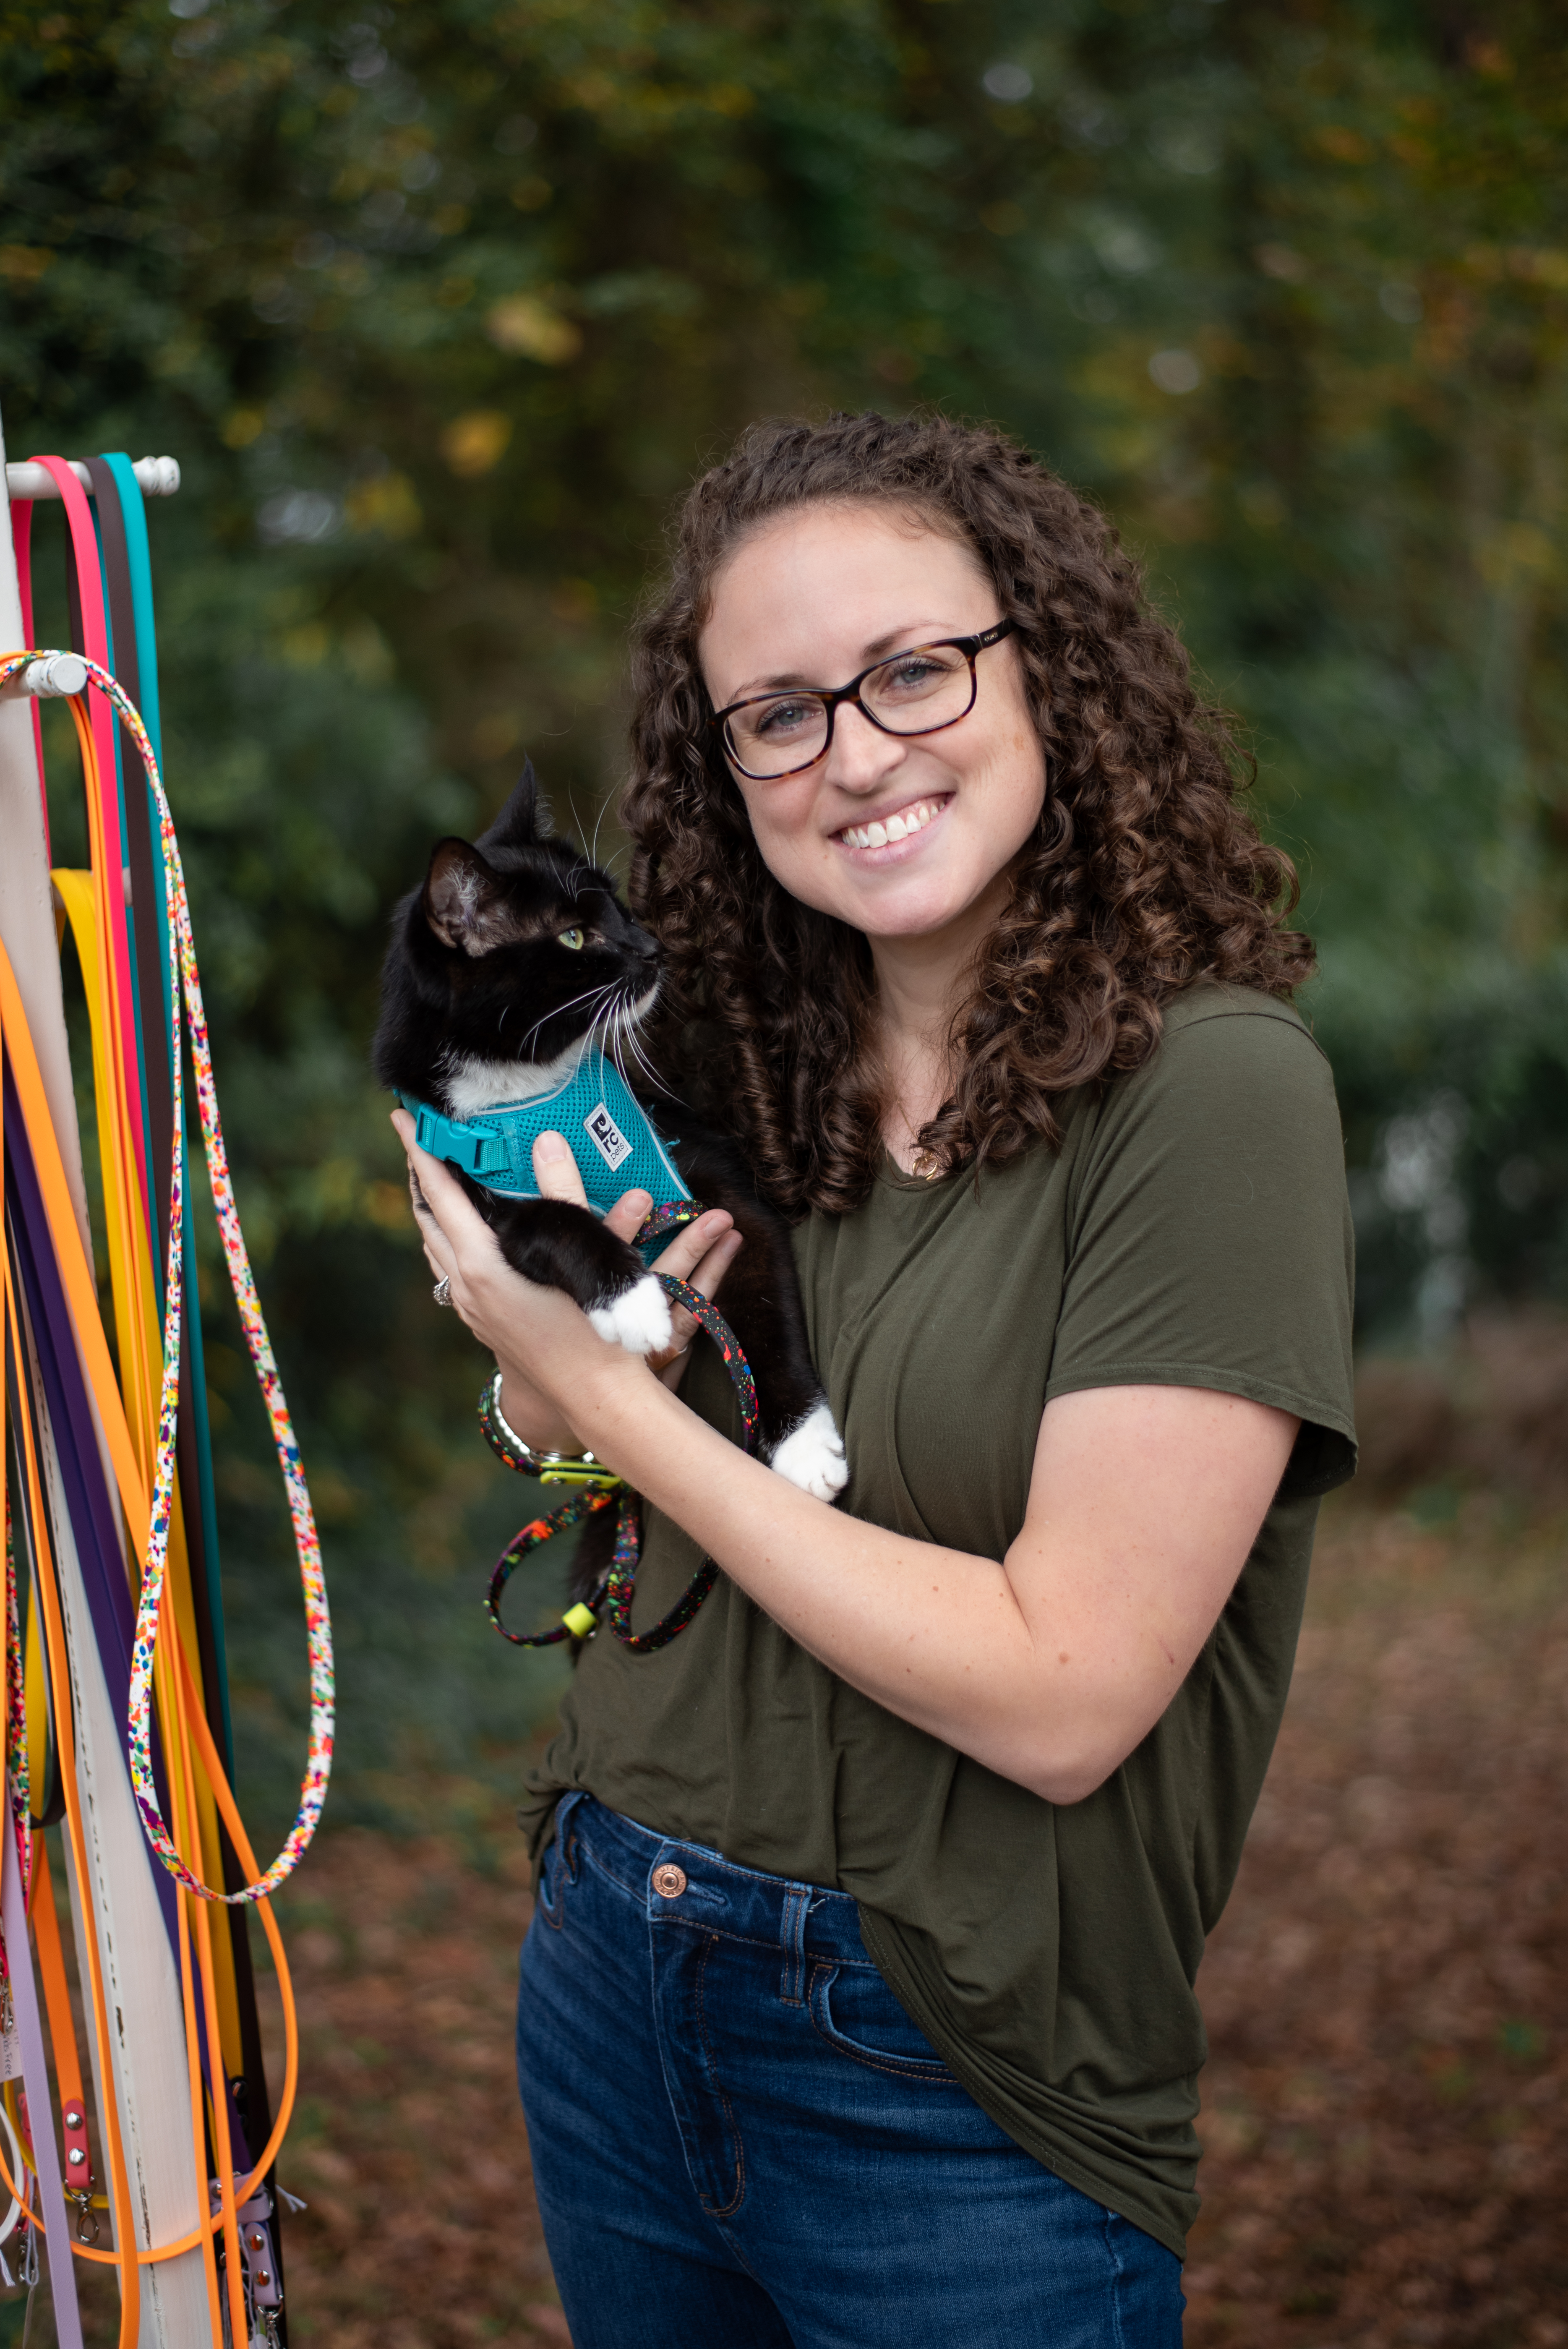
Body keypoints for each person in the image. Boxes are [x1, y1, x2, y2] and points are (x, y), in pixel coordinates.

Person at [395, 410, 1355, 2349]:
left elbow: (1062, 1693)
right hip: (610, 1960)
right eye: (776, 712)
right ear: (722, 765)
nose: (854, 752)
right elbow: (593, 1426)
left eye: (912, 669)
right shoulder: (725, 1058)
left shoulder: (1211, 1094)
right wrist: (550, 1388)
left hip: (936, 2052)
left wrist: (616, 1412)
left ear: (1045, 667)